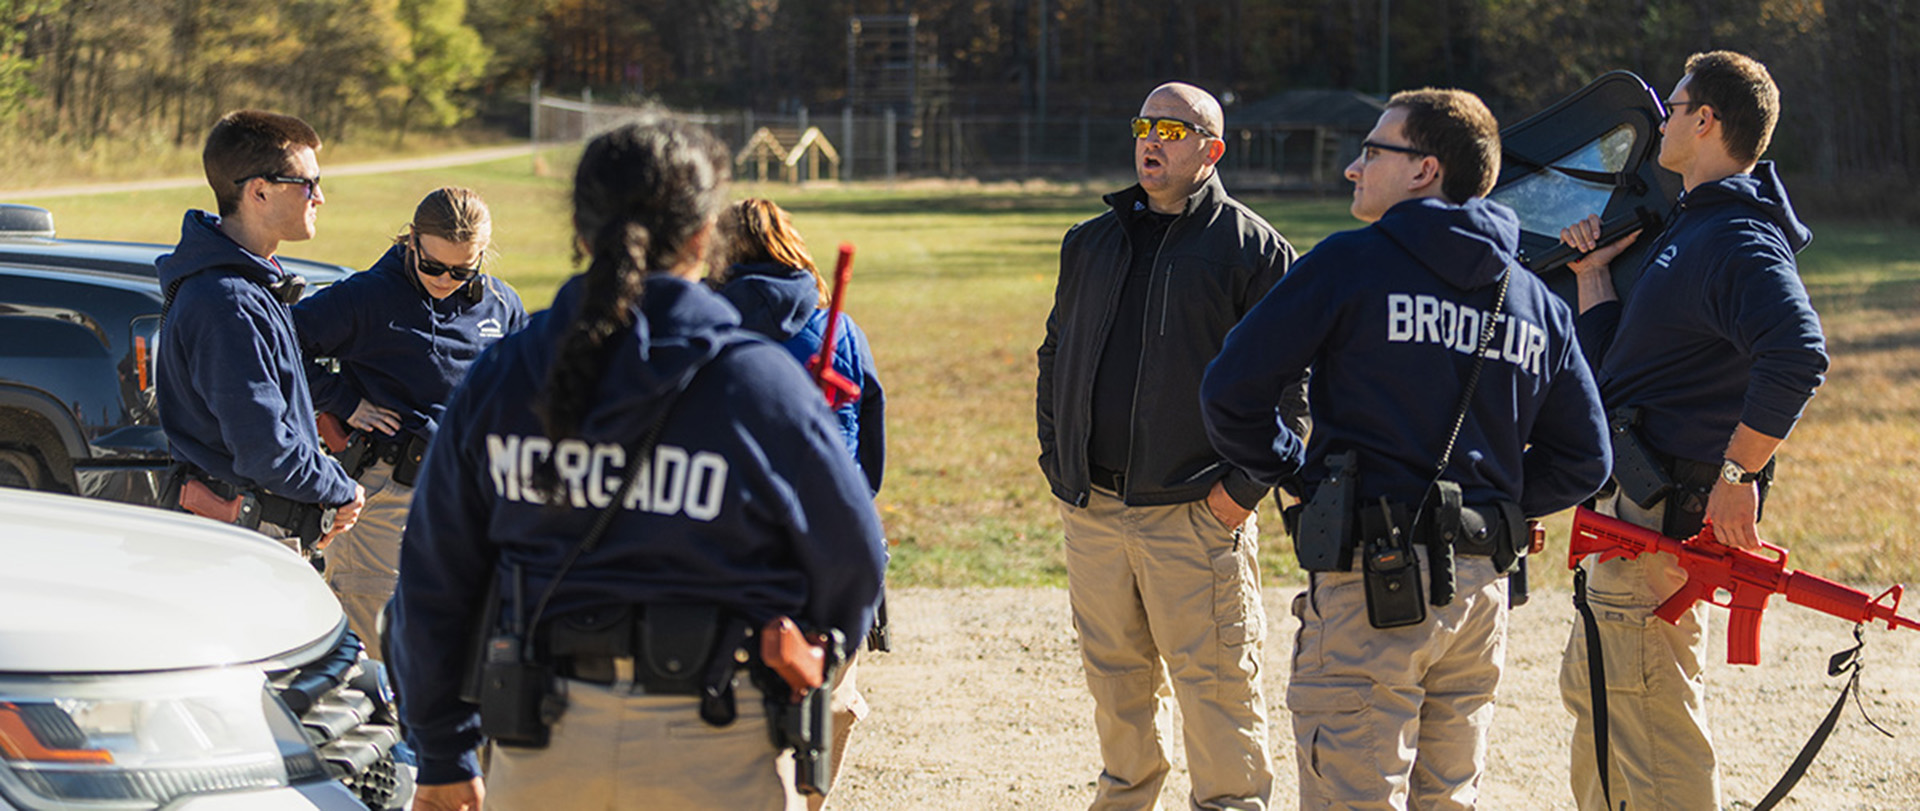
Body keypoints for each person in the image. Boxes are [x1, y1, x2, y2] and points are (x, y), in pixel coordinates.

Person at [390, 116, 887, 811]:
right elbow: (855, 558)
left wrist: (442, 748)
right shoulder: (757, 383)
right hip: (716, 741)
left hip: (541, 744)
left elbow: (434, 573)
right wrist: (807, 658)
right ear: (701, 234)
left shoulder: (505, 373)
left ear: (582, 231)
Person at [1200, 87, 1611, 810]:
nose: (1355, 169)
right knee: (1447, 799)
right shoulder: (1536, 299)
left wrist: (1298, 477)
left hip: (1370, 584)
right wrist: (1497, 505)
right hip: (1479, 589)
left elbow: (1230, 389)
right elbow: (1586, 459)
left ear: (1425, 169)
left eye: (1372, 151)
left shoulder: (1350, 264)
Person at [1555, 51, 1829, 811]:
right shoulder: (1691, 227)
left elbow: (1798, 352)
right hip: (1627, 518)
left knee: (1650, 721)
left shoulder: (1737, 235)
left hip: (1658, 520)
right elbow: (1627, 374)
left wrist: (1737, 476)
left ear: (1704, 121)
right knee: (1607, 701)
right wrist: (1594, 281)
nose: (1662, 125)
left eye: (1672, 109)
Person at [1035, 81, 1303, 810]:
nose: (1151, 139)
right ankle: (1125, 798)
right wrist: (1059, 461)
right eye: (1145, 124)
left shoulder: (1252, 249)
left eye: (1173, 130)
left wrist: (1239, 492)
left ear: (1211, 151)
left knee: (1215, 681)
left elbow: (1294, 388)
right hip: (1093, 508)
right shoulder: (1090, 241)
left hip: (1195, 510)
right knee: (1115, 678)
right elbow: (1055, 351)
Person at [292, 187, 529, 658]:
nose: (445, 279)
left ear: (483, 255)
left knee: (456, 649)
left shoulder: (501, 305)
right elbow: (279, 346)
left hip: (468, 498)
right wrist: (344, 401)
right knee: (381, 649)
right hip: (386, 495)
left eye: (463, 270)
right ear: (412, 242)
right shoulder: (367, 296)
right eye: (432, 266)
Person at [715, 196, 886, 811]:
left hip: (728, 545)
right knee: (828, 699)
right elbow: (868, 463)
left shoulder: (703, 328)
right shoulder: (839, 330)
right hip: (828, 546)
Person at [155, 109, 364, 554]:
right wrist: (339, 487)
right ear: (260, 191)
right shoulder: (226, 302)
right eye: (308, 184)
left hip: (249, 539)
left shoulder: (249, 285)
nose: (320, 198)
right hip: (235, 548)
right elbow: (265, 450)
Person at [715, 198, 884, 493]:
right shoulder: (842, 333)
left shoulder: (704, 329)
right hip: (828, 507)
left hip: (734, 513)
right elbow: (869, 434)